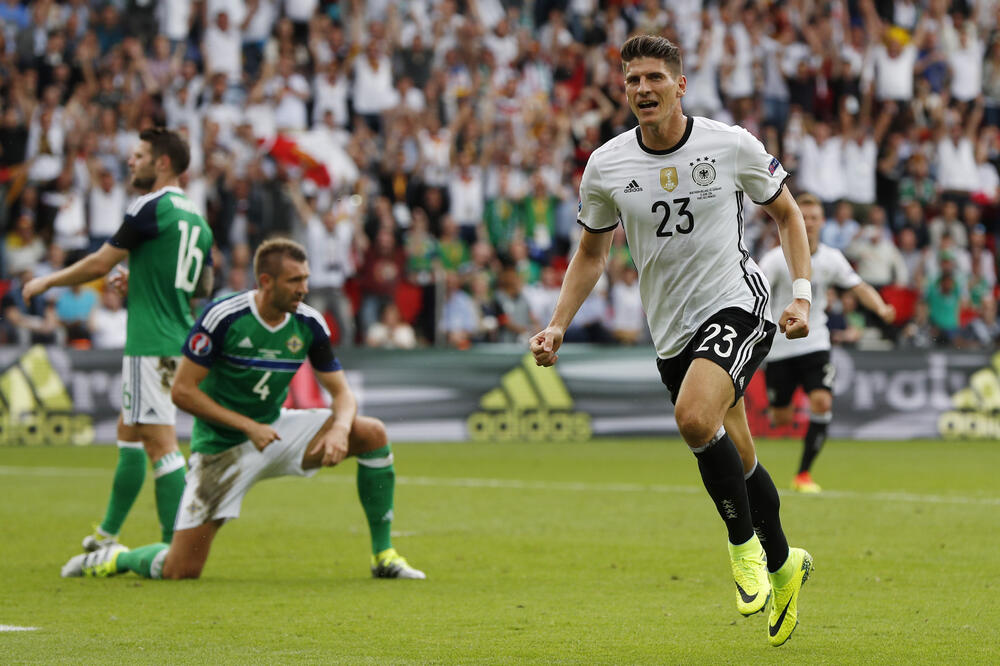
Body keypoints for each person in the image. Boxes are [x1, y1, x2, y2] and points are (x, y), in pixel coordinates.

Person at [530, 35, 813, 647]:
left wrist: (801, 295)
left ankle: (744, 549)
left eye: (655, 77)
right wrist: (558, 323)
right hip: (672, 332)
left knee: (693, 418)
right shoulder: (606, 165)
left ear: (680, 85)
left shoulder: (730, 144)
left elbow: (788, 214)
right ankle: (784, 563)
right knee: (738, 456)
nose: (643, 88)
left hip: (738, 302)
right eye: (632, 80)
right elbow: (591, 253)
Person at [61, 239, 425, 581]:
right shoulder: (224, 317)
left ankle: (384, 555)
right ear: (266, 281)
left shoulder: (309, 323)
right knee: (180, 569)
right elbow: (183, 392)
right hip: (221, 448)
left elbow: (342, 393)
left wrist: (341, 429)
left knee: (371, 433)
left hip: (276, 431)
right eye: (294, 280)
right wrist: (247, 427)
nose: (303, 289)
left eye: (305, 279)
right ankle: (115, 558)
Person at [23, 128, 214, 554]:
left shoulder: (150, 205)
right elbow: (201, 286)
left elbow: (99, 263)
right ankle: (106, 535)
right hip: (178, 340)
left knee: (161, 445)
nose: (130, 161)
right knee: (129, 432)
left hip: (151, 343)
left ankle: (172, 550)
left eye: (139, 155)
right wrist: (143, 278)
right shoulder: (200, 222)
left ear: (163, 163)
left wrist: (47, 281)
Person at [758, 193, 895, 494]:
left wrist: (881, 307)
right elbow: (756, 294)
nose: (808, 223)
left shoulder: (832, 258)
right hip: (780, 347)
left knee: (822, 402)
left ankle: (803, 474)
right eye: (803, 217)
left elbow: (858, 286)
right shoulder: (775, 260)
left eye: (814, 218)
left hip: (815, 341)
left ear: (822, 222)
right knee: (781, 418)